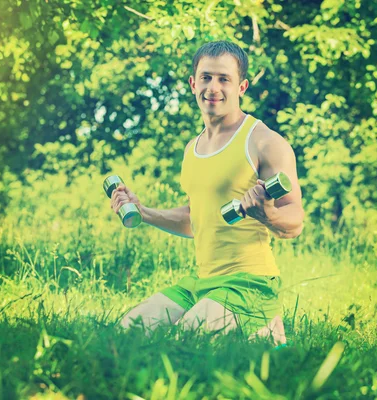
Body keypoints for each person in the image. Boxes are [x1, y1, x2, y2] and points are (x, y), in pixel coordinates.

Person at [110, 40, 304, 345]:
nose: (213, 87)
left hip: (250, 284)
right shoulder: (193, 149)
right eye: (206, 77)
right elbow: (194, 218)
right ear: (193, 83)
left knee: (186, 340)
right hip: (202, 282)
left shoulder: (264, 142)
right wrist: (143, 211)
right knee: (129, 331)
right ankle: (248, 328)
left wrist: (269, 215)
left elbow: (295, 220)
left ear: (241, 87)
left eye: (224, 79)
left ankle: (264, 326)